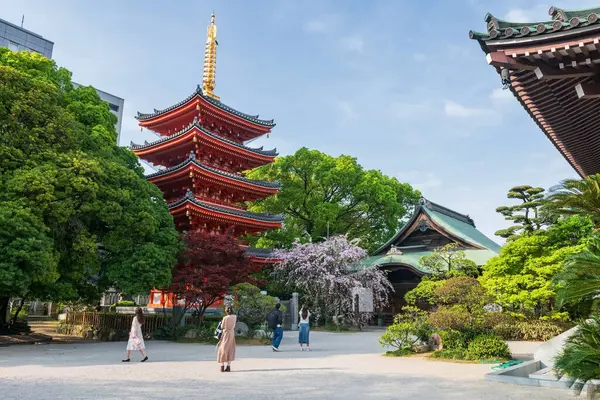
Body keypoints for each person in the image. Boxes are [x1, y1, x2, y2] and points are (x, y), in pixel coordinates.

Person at [217, 306, 237, 372]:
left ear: (226, 311)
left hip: (225, 333)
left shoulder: (225, 318)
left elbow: (222, 326)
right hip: (231, 333)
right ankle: (228, 367)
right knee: (230, 348)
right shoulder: (235, 317)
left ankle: (222, 366)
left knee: (222, 348)